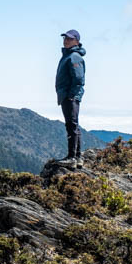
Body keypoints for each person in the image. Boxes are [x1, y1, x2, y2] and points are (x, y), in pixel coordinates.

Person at [55, 29, 86, 167]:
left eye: (70, 39)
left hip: (70, 96)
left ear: (77, 41)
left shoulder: (74, 56)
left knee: (71, 125)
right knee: (73, 125)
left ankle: (72, 158)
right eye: (65, 38)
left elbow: (78, 79)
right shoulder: (69, 55)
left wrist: (71, 95)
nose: (66, 40)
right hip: (68, 95)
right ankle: (77, 157)